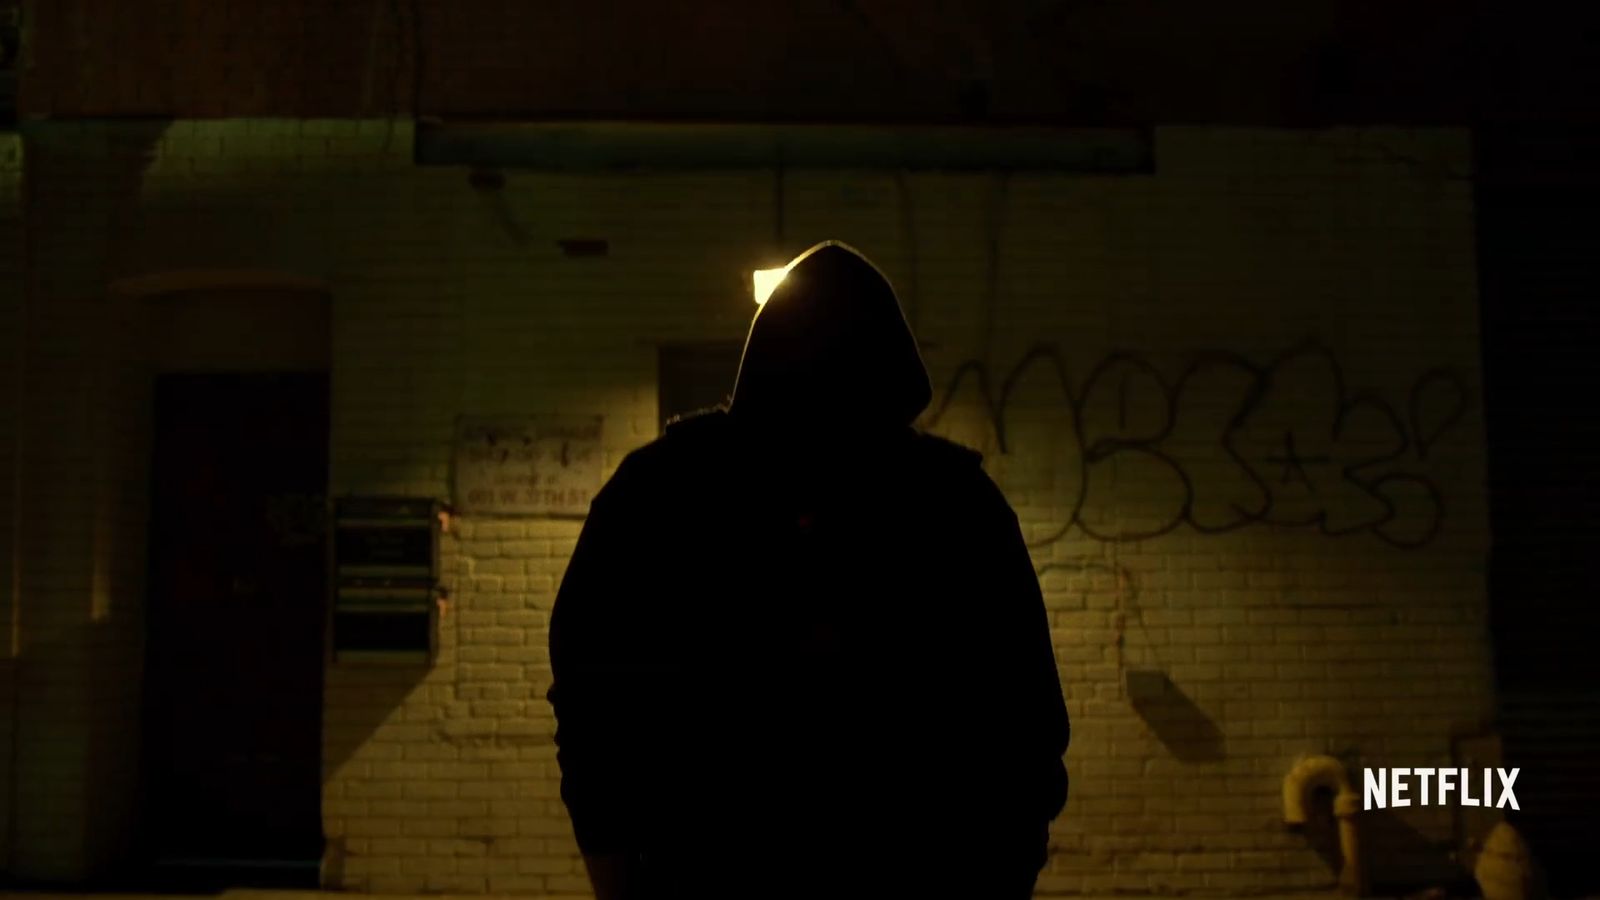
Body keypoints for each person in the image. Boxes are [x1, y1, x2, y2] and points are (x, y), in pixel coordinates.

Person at [546, 240, 1069, 899]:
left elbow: (594, 707)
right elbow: (1024, 726)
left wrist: (619, 877)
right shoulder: (953, 501)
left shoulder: (656, 492)